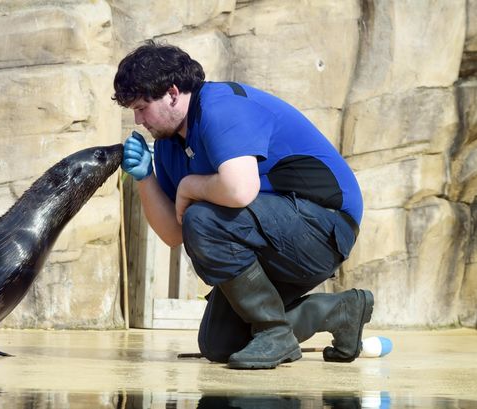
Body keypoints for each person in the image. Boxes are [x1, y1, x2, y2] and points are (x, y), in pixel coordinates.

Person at [113, 40, 374, 369]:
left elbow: (239, 190)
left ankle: (274, 331)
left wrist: (191, 186)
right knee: (220, 345)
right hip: (272, 239)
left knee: (203, 219)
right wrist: (145, 178)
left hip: (323, 227)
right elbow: (172, 234)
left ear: (173, 93)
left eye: (141, 107)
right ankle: (340, 311)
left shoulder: (220, 108)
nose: (138, 120)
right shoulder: (169, 145)